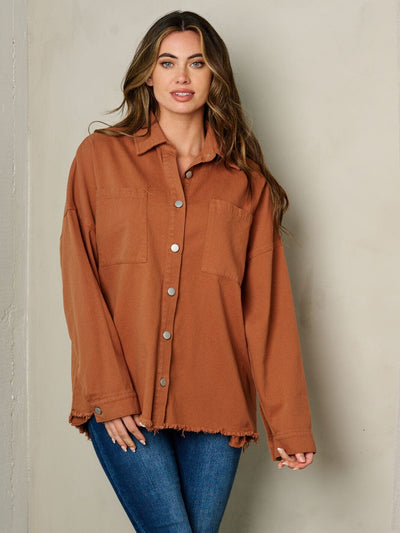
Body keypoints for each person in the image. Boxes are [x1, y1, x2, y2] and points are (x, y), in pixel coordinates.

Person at [59, 10, 316, 533]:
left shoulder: (246, 183)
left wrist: (288, 424)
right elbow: (79, 278)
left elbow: (266, 310)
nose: (181, 76)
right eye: (167, 62)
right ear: (147, 74)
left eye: (196, 63)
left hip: (215, 408)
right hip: (125, 400)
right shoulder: (99, 158)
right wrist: (108, 394)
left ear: (215, 74)